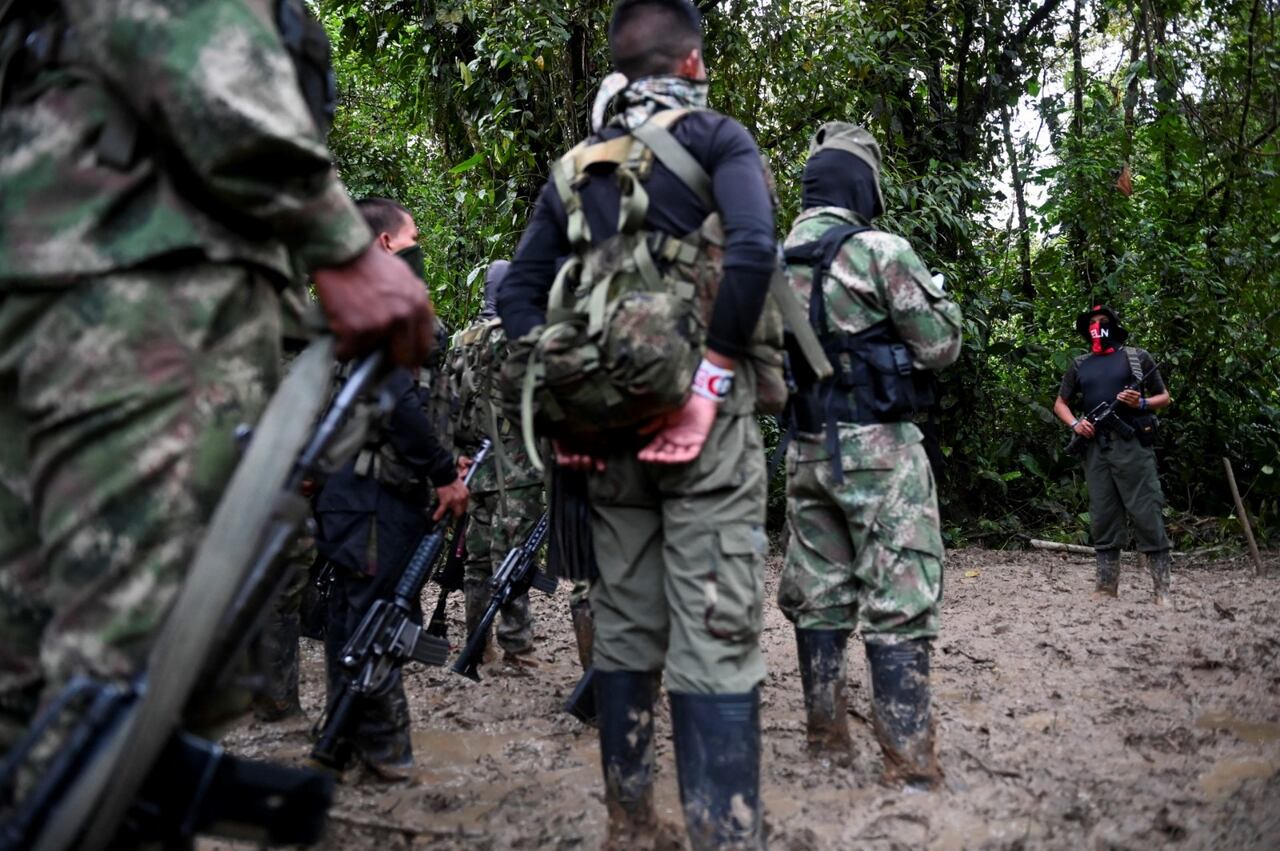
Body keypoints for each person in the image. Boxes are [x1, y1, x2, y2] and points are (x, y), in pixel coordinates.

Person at [0, 0, 432, 778]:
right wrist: (337, 239)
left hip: (39, 283)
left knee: (26, 686)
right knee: (131, 691)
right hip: (138, 290)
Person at [499, 2, 777, 846]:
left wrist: (568, 403)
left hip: (605, 440)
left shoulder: (576, 168)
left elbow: (516, 294)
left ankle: (629, 822)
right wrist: (707, 383)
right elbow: (758, 250)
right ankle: (721, 832)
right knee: (717, 626)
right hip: (707, 435)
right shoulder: (718, 138)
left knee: (623, 627)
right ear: (691, 63)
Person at [776, 124, 962, 789]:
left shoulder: (769, 260)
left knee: (819, 593)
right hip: (880, 449)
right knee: (899, 592)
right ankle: (909, 763)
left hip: (803, 450)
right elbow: (941, 345)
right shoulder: (880, 250)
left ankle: (826, 741)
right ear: (863, 185)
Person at [313, 198, 467, 780]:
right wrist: (444, 475)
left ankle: (343, 744)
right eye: (413, 237)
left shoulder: (347, 307)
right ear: (384, 245)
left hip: (347, 494)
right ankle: (383, 754)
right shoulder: (386, 307)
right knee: (377, 620)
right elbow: (397, 398)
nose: (419, 248)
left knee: (351, 617)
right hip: (376, 496)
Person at [448, 261, 542, 669]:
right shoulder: (520, 339)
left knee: (477, 560)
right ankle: (516, 648)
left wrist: (453, 461)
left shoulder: (461, 341)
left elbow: (446, 408)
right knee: (515, 558)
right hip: (516, 468)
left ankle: (477, 644)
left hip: (471, 468)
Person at [1053, 305, 1172, 604]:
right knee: (1103, 514)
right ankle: (1106, 588)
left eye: (1103, 322)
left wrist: (1141, 403)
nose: (1097, 326)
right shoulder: (1080, 364)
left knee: (1146, 510)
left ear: (1114, 326)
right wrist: (1076, 424)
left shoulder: (1136, 357)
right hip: (1096, 449)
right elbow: (1060, 403)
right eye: (1092, 323)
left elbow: (1165, 398)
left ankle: (1162, 591)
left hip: (1132, 445)